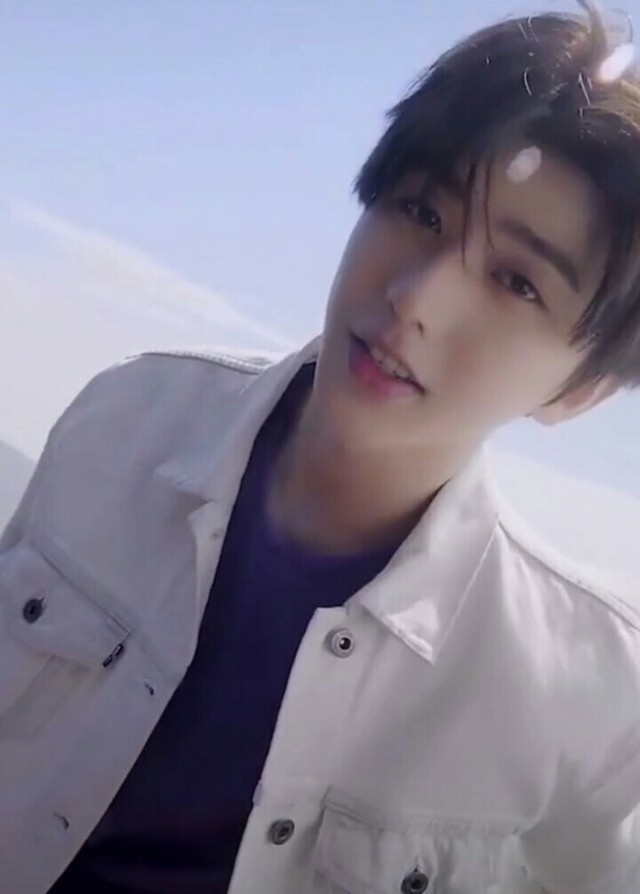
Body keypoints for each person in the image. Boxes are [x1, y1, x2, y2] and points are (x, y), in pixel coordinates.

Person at [2, 4, 640, 893]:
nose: (418, 296)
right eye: (420, 210)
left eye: (517, 282)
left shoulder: (587, 687)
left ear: (580, 390)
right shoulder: (126, 417)